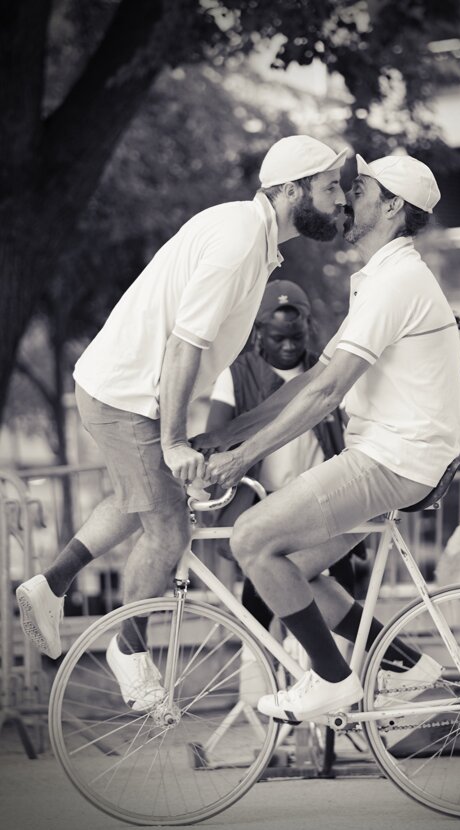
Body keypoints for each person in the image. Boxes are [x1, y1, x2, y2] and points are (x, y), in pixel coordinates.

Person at [16, 134, 348, 712]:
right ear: (292, 190)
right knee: (170, 528)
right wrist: (172, 442)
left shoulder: (257, 241)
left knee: (139, 498)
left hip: (122, 389)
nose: (340, 199)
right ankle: (128, 650)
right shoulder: (242, 239)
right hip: (126, 395)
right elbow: (185, 342)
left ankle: (52, 584)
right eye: (331, 187)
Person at [198, 152, 460, 723]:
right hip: (395, 455)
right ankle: (409, 668)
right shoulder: (379, 278)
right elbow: (316, 376)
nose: (347, 196)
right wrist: (219, 441)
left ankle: (332, 680)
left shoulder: (399, 282)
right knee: (291, 562)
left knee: (250, 539)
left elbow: (326, 393)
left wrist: (242, 457)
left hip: (392, 458)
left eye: (361, 188)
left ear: (392, 206)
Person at [202, 278, 362, 628]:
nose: (289, 346)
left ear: (309, 327)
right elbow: (217, 438)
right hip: (263, 500)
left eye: (297, 336)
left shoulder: (325, 371)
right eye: (278, 338)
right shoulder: (236, 375)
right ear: (258, 332)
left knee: (339, 588)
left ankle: (347, 672)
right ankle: (259, 675)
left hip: (323, 496)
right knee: (261, 597)